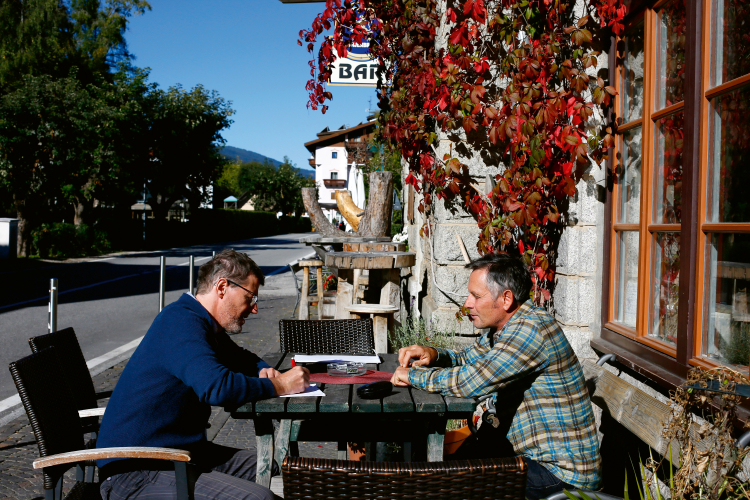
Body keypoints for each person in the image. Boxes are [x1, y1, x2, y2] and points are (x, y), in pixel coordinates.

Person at [96, 249, 310, 500]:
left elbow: (242, 359)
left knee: (281, 467)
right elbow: (218, 388)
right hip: (136, 468)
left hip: (182, 454)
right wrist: (280, 385)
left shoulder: (205, 324)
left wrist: (264, 369)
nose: (254, 309)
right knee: (259, 498)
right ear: (222, 287)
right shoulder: (181, 323)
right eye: (250, 298)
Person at [390, 254, 600, 500]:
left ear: (506, 298)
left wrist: (413, 376)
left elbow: (471, 381)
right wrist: (434, 354)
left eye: (476, 296)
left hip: (560, 475)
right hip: (530, 459)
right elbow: (470, 359)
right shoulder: (505, 328)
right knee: (439, 467)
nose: (467, 304)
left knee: (447, 481)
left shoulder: (530, 330)